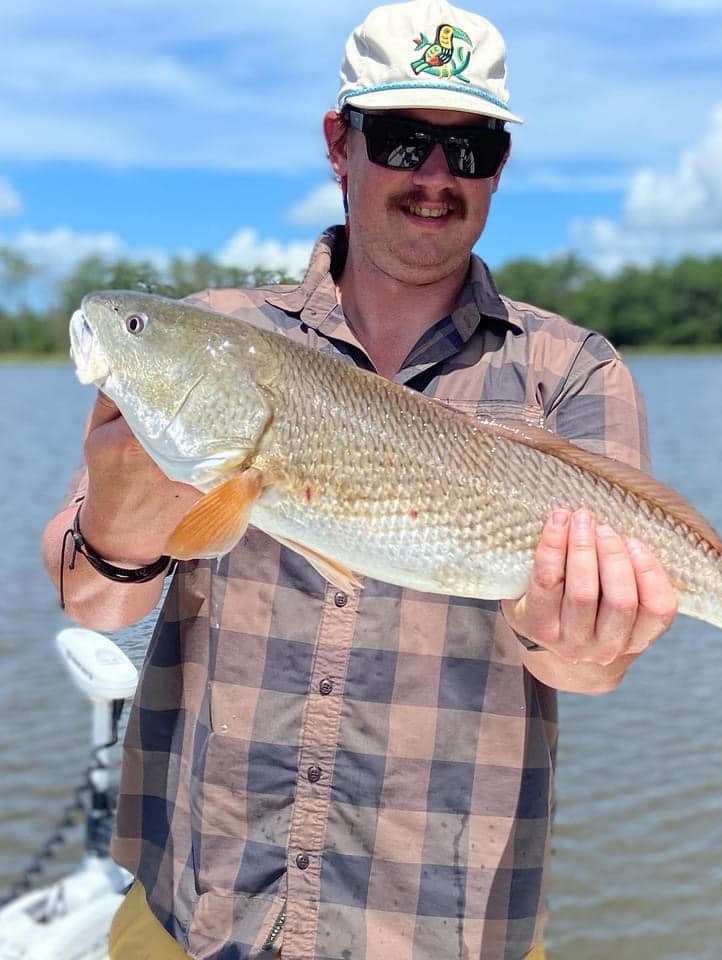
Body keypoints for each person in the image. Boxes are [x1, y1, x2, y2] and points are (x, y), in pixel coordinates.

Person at [42, 1, 677, 957]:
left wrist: (587, 638)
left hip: (445, 929)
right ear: (341, 144)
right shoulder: (215, 337)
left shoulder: (574, 372)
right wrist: (117, 525)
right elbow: (89, 602)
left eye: (471, 149)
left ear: (500, 166)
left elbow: (593, 670)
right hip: (196, 915)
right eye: (404, 139)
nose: (436, 176)